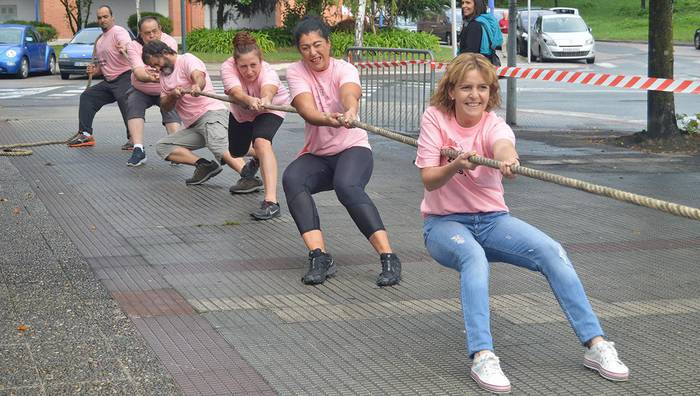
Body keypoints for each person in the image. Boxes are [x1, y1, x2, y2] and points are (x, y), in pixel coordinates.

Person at [415, 53, 629, 394]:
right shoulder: (435, 118)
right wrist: (456, 165)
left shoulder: (492, 123)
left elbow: (502, 144)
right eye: (467, 87)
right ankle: (483, 354)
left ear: (491, 92)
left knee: (551, 250)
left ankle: (596, 344)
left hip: (492, 220)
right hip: (444, 225)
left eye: (482, 88)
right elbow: (429, 179)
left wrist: (507, 160)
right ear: (451, 91)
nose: (475, 95)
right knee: (474, 257)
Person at [283, 17, 402, 287]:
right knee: (292, 178)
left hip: (353, 149)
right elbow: (308, 111)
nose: (313, 53)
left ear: (329, 43)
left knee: (346, 185)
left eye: (317, 45)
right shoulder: (296, 72)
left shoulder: (344, 68)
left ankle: (388, 257)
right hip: (319, 154)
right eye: (305, 48)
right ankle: (319, 256)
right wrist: (330, 119)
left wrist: (350, 111)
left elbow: (350, 92)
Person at [142, 40, 244, 185]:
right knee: (163, 147)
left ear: (164, 53)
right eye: (153, 67)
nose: (157, 69)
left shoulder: (186, 60)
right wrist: (172, 95)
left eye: (157, 63)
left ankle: (248, 176)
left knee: (218, 146)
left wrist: (197, 85)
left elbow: (199, 76)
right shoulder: (164, 77)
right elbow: (165, 107)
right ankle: (205, 166)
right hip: (194, 125)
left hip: (211, 114)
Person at [221, 31, 290, 220]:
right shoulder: (227, 67)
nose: (249, 71)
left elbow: (269, 89)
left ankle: (271, 202)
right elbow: (235, 92)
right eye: (243, 67)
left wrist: (265, 98)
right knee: (236, 151)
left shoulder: (268, 72)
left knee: (262, 142)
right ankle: (259, 158)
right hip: (243, 110)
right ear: (236, 64)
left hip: (270, 109)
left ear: (261, 61)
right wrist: (248, 99)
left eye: (254, 65)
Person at [68, 5, 133, 148]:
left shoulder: (118, 31)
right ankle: (85, 135)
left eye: (105, 16)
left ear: (112, 18)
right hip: (109, 81)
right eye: (99, 17)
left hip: (124, 77)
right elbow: (103, 67)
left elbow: (127, 44)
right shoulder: (99, 40)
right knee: (87, 96)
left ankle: (134, 139)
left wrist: (124, 48)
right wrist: (94, 70)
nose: (102, 20)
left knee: (125, 100)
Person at [120, 16, 181, 167]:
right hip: (142, 88)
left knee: (171, 108)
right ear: (140, 34)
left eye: (155, 31)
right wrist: (151, 77)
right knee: (132, 101)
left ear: (160, 29)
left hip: (165, 88)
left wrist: (160, 78)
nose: (152, 35)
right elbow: (139, 72)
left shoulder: (170, 42)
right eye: (147, 33)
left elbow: (171, 68)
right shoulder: (133, 45)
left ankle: (176, 149)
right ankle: (138, 149)